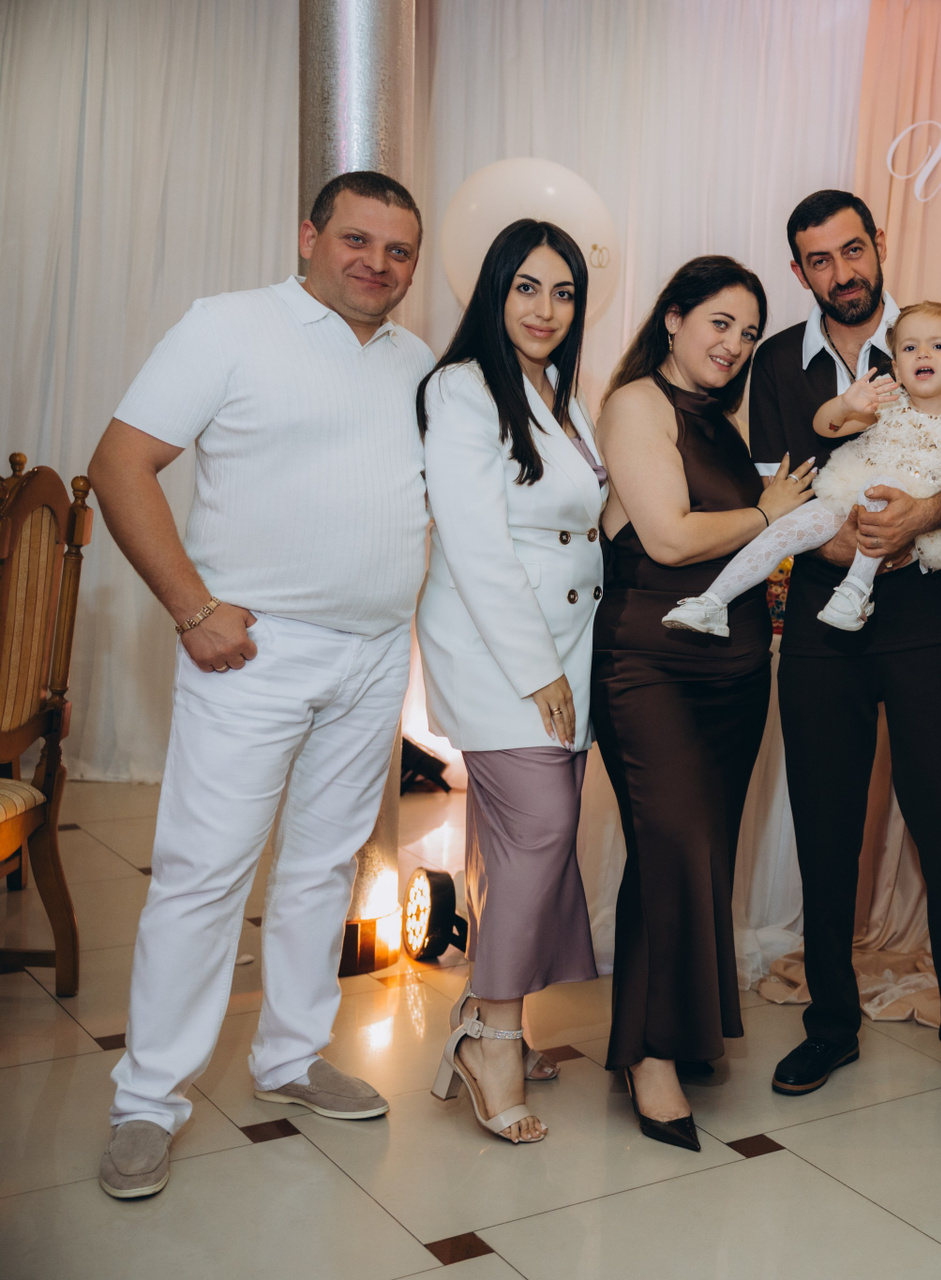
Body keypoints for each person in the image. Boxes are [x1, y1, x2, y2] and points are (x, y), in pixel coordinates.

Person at [90, 172, 432, 1200]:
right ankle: (147, 1098)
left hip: (375, 652)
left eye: (399, 251)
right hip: (250, 651)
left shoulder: (418, 362)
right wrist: (193, 608)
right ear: (309, 236)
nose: (376, 263)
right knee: (204, 873)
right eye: (357, 239)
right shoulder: (228, 325)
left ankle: (289, 1054)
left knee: (323, 867)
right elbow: (120, 465)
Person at [748, 190, 941, 1101]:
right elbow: (776, 487)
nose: (842, 272)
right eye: (820, 260)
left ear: (878, 244)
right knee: (825, 824)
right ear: (800, 271)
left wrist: (918, 518)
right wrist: (843, 544)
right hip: (823, 609)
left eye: (852, 250)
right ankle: (830, 1024)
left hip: (928, 609)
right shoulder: (778, 363)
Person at [592, 256, 813, 1151]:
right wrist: (769, 513)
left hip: (735, 673)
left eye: (749, 333)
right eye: (720, 322)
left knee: (696, 856)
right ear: (673, 317)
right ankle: (648, 1056)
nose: (735, 344)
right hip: (650, 666)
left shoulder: (722, 423)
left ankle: (681, 1033)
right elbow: (669, 536)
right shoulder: (636, 403)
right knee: (674, 845)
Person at [415, 220, 604, 1145]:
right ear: (493, 290)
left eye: (563, 292)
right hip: (502, 654)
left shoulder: (562, 391)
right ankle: (490, 1042)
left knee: (518, 844)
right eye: (527, 287)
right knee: (542, 831)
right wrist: (536, 671)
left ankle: (492, 1018)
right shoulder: (460, 387)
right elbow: (475, 542)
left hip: (571, 647)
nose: (545, 308)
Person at [664, 302, 941, 637]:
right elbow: (825, 427)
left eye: (937, 346)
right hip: (850, 499)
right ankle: (713, 602)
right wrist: (845, 404)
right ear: (896, 367)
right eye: (910, 348)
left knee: (882, 486)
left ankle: (856, 591)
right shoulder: (888, 405)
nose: (922, 354)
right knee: (785, 531)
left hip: (910, 525)